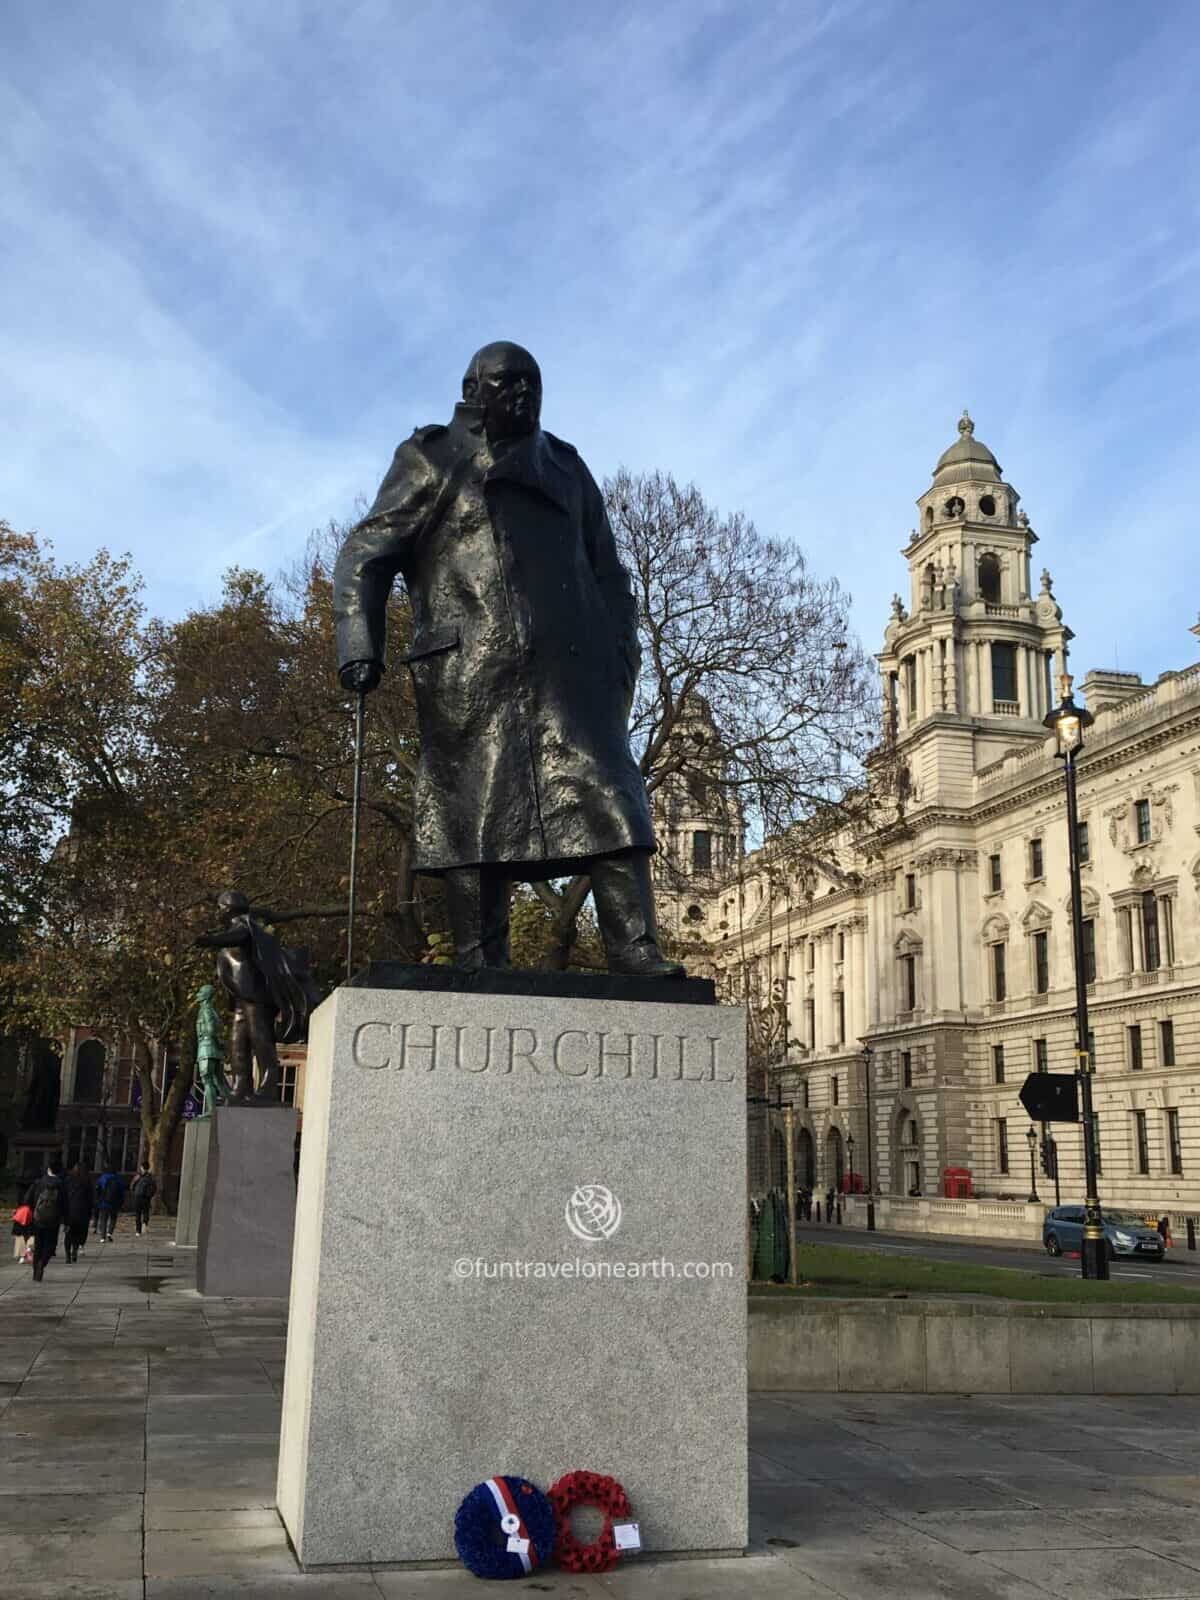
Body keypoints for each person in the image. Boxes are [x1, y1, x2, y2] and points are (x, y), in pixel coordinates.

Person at [333, 341, 685, 978]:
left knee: (610, 795)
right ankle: (477, 955)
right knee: (474, 813)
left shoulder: (568, 468)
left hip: (571, 675)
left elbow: (609, 570)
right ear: (474, 389)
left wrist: (620, 651)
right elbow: (366, 552)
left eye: (532, 382)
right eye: (507, 382)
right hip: (470, 672)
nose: (523, 392)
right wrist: (360, 645)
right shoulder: (432, 457)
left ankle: (634, 948)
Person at [23, 1159, 67, 1281]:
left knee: (38, 1244)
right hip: (54, 1219)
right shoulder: (61, 1184)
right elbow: (65, 1204)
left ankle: (35, 1271)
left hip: (38, 1218)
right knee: (50, 1245)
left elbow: (27, 1199)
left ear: (48, 1169)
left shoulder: (39, 1182)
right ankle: (42, 1262)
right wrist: (66, 1220)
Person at [63, 1164, 93, 1263]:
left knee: (68, 1234)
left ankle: (67, 1254)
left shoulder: (68, 1180)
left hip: (69, 1211)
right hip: (82, 1212)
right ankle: (74, 1251)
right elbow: (90, 1199)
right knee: (77, 1234)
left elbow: (64, 1196)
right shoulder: (87, 1182)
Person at [95, 1165, 125, 1242]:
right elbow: (122, 1192)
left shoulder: (102, 1178)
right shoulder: (119, 1178)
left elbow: (97, 1189)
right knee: (113, 1218)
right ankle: (109, 1233)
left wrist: (98, 1200)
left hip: (104, 1202)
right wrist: (121, 1202)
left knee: (103, 1219)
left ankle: (102, 1237)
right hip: (115, 1203)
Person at [131, 1165, 157, 1235]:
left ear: (142, 1168)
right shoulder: (150, 1177)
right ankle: (143, 1226)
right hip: (144, 1198)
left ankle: (139, 1230)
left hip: (139, 1197)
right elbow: (154, 1188)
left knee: (139, 1214)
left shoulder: (139, 1177)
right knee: (144, 1212)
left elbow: (132, 1186)